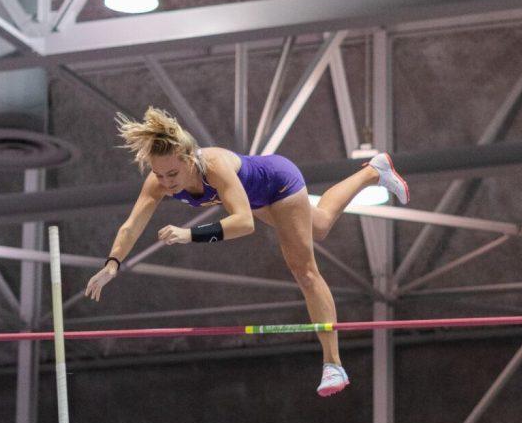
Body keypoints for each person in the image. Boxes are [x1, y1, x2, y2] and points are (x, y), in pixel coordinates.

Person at [84, 107, 409, 397]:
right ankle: (373, 171)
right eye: (159, 175)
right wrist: (113, 263)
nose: (167, 183)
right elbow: (131, 226)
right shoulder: (159, 183)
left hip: (279, 182)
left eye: (173, 174)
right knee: (321, 224)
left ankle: (333, 364)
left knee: (304, 271)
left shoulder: (214, 166)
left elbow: (243, 223)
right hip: (257, 198)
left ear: (187, 159)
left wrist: (189, 234)